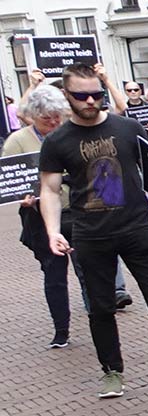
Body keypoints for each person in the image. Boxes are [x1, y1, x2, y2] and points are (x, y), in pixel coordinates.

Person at [37, 65, 148, 399]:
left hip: (136, 227)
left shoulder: (128, 127)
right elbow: (49, 189)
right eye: (82, 96)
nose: (91, 101)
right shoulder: (57, 141)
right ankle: (112, 372)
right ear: (67, 96)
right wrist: (53, 231)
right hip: (91, 234)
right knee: (101, 307)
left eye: (97, 94)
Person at [9, 82, 76, 347]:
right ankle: (61, 329)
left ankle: (99, 315)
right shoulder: (18, 141)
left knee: (90, 269)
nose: (54, 123)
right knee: (54, 274)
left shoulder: (71, 134)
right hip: (41, 217)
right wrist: (22, 198)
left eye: (58, 117)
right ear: (34, 116)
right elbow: (12, 180)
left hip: (76, 212)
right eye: (47, 118)